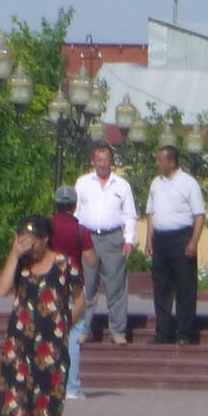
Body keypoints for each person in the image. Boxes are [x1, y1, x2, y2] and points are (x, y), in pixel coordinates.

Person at [0, 215, 84, 416]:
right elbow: (2, 289)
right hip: (19, 348)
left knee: (46, 412)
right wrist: (14, 253)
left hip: (51, 350)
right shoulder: (21, 263)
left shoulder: (65, 265)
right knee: (12, 407)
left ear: (46, 239)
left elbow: (81, 298)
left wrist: (65, 324)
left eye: (32, 240)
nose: (28, 245)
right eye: (22, 238)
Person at [72, 141, 138, 353]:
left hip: (112, 239)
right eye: (98, 160)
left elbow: (130, 215)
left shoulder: (122, 185)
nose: (102, 164)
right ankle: (84, 329)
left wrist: (129, 240)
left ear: (111, 161)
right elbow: (75, 211)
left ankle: (118, 331)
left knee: (116, 287)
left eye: (106, 160)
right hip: (87, 238)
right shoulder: (83, 183)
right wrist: (75, 238)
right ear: (94, 161)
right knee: (86, 286)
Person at [145, 145, 207, 345]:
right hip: (161, 239)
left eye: (160, 160)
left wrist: (194, 241)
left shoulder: (189, 183)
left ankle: (184, 333)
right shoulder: (156, 183)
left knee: (185, 287)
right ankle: (163, 332)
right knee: (161, 287)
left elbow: (199, 215)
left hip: (182, 238)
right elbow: (151, 213)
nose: (157, 163)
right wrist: (149, 238)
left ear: (172, 161)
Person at [48, 185, 93, 399]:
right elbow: (92, 260)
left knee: (48, 333)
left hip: (50, 282)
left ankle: (48, 384)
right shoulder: (80, 231)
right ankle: (72, 388)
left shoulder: (46, 227)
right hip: (74, 284)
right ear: (75, 206)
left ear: (56, 205)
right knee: (73, 335)